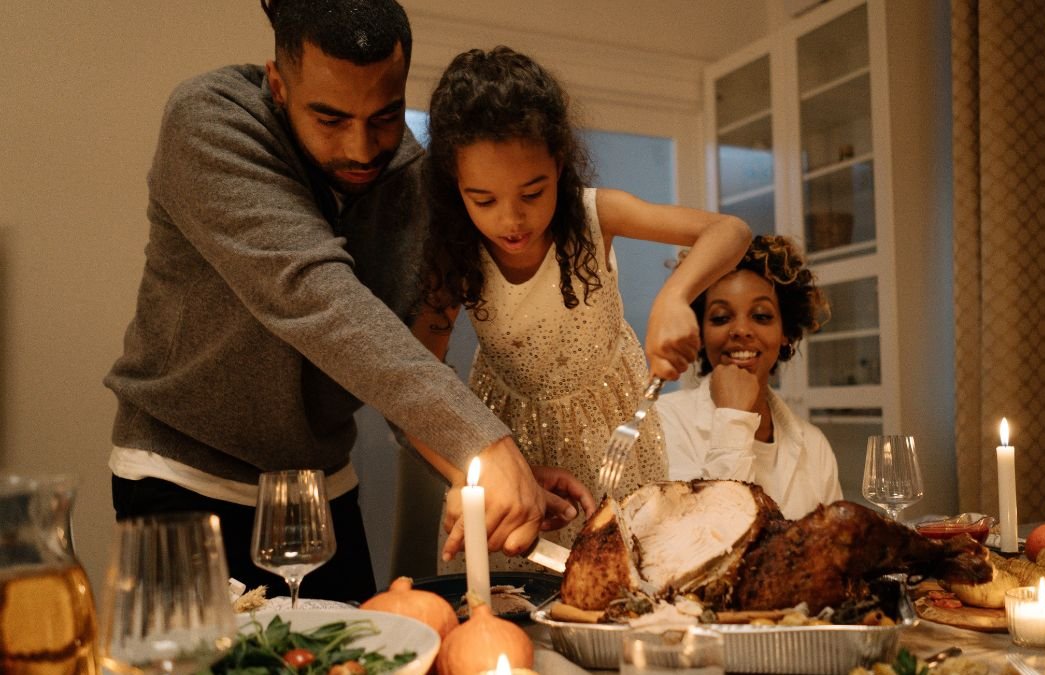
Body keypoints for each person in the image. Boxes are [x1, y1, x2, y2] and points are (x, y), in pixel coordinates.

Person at [103, 1, 582, 603]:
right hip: (182, 477)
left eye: (384, 117)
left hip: (321, 490)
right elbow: (316, 298)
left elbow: (397, 360)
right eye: (329, 118)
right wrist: (482, 440)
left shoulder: (412, 177)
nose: (361, 148)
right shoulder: (210, 120)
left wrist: (482, 473)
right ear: (278, 84)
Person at [412, 46, 752, 569]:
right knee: (511, 598)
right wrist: (471, 474)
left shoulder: (598, 215)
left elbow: (730, 231)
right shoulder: (453, 254)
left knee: (622, 589)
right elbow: (414, 386)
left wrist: (675, 295)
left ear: (560, 164)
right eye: (483, 200)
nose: (511, 219)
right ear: (455, 187)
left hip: (615, 436)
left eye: (532, 192)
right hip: (507, 439)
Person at [657, 235, 842, 519]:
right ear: (701, 334)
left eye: (761, 316)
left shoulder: (814, 445)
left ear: (785, 334)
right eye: (720, 318)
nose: (741, 330)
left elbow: (833, 552)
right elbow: (704, 545)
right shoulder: (664, 423)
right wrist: (732, 417)